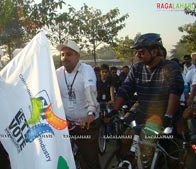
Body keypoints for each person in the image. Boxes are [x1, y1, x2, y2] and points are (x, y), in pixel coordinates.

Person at [109, 33, 184, 167]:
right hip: (143, 116)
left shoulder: (170, 67)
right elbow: (126, 88)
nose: (138, 55)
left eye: (141, 52)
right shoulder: (136, 68)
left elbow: (175, 91)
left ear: (154, 51)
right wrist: (114, 109)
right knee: (125, 140)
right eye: (137, 52)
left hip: (166, 118)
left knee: (172, 158)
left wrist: (168, 116)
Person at [56, 40, 101, 169]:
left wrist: (91, 113)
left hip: (86, 124)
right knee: (62, 159)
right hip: (67, 124)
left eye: (69, 54)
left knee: (89, 161)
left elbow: (90, 90)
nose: (65, 58)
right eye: (62, 54)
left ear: (78, 56)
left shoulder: (86, 70)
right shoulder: (58, 73)